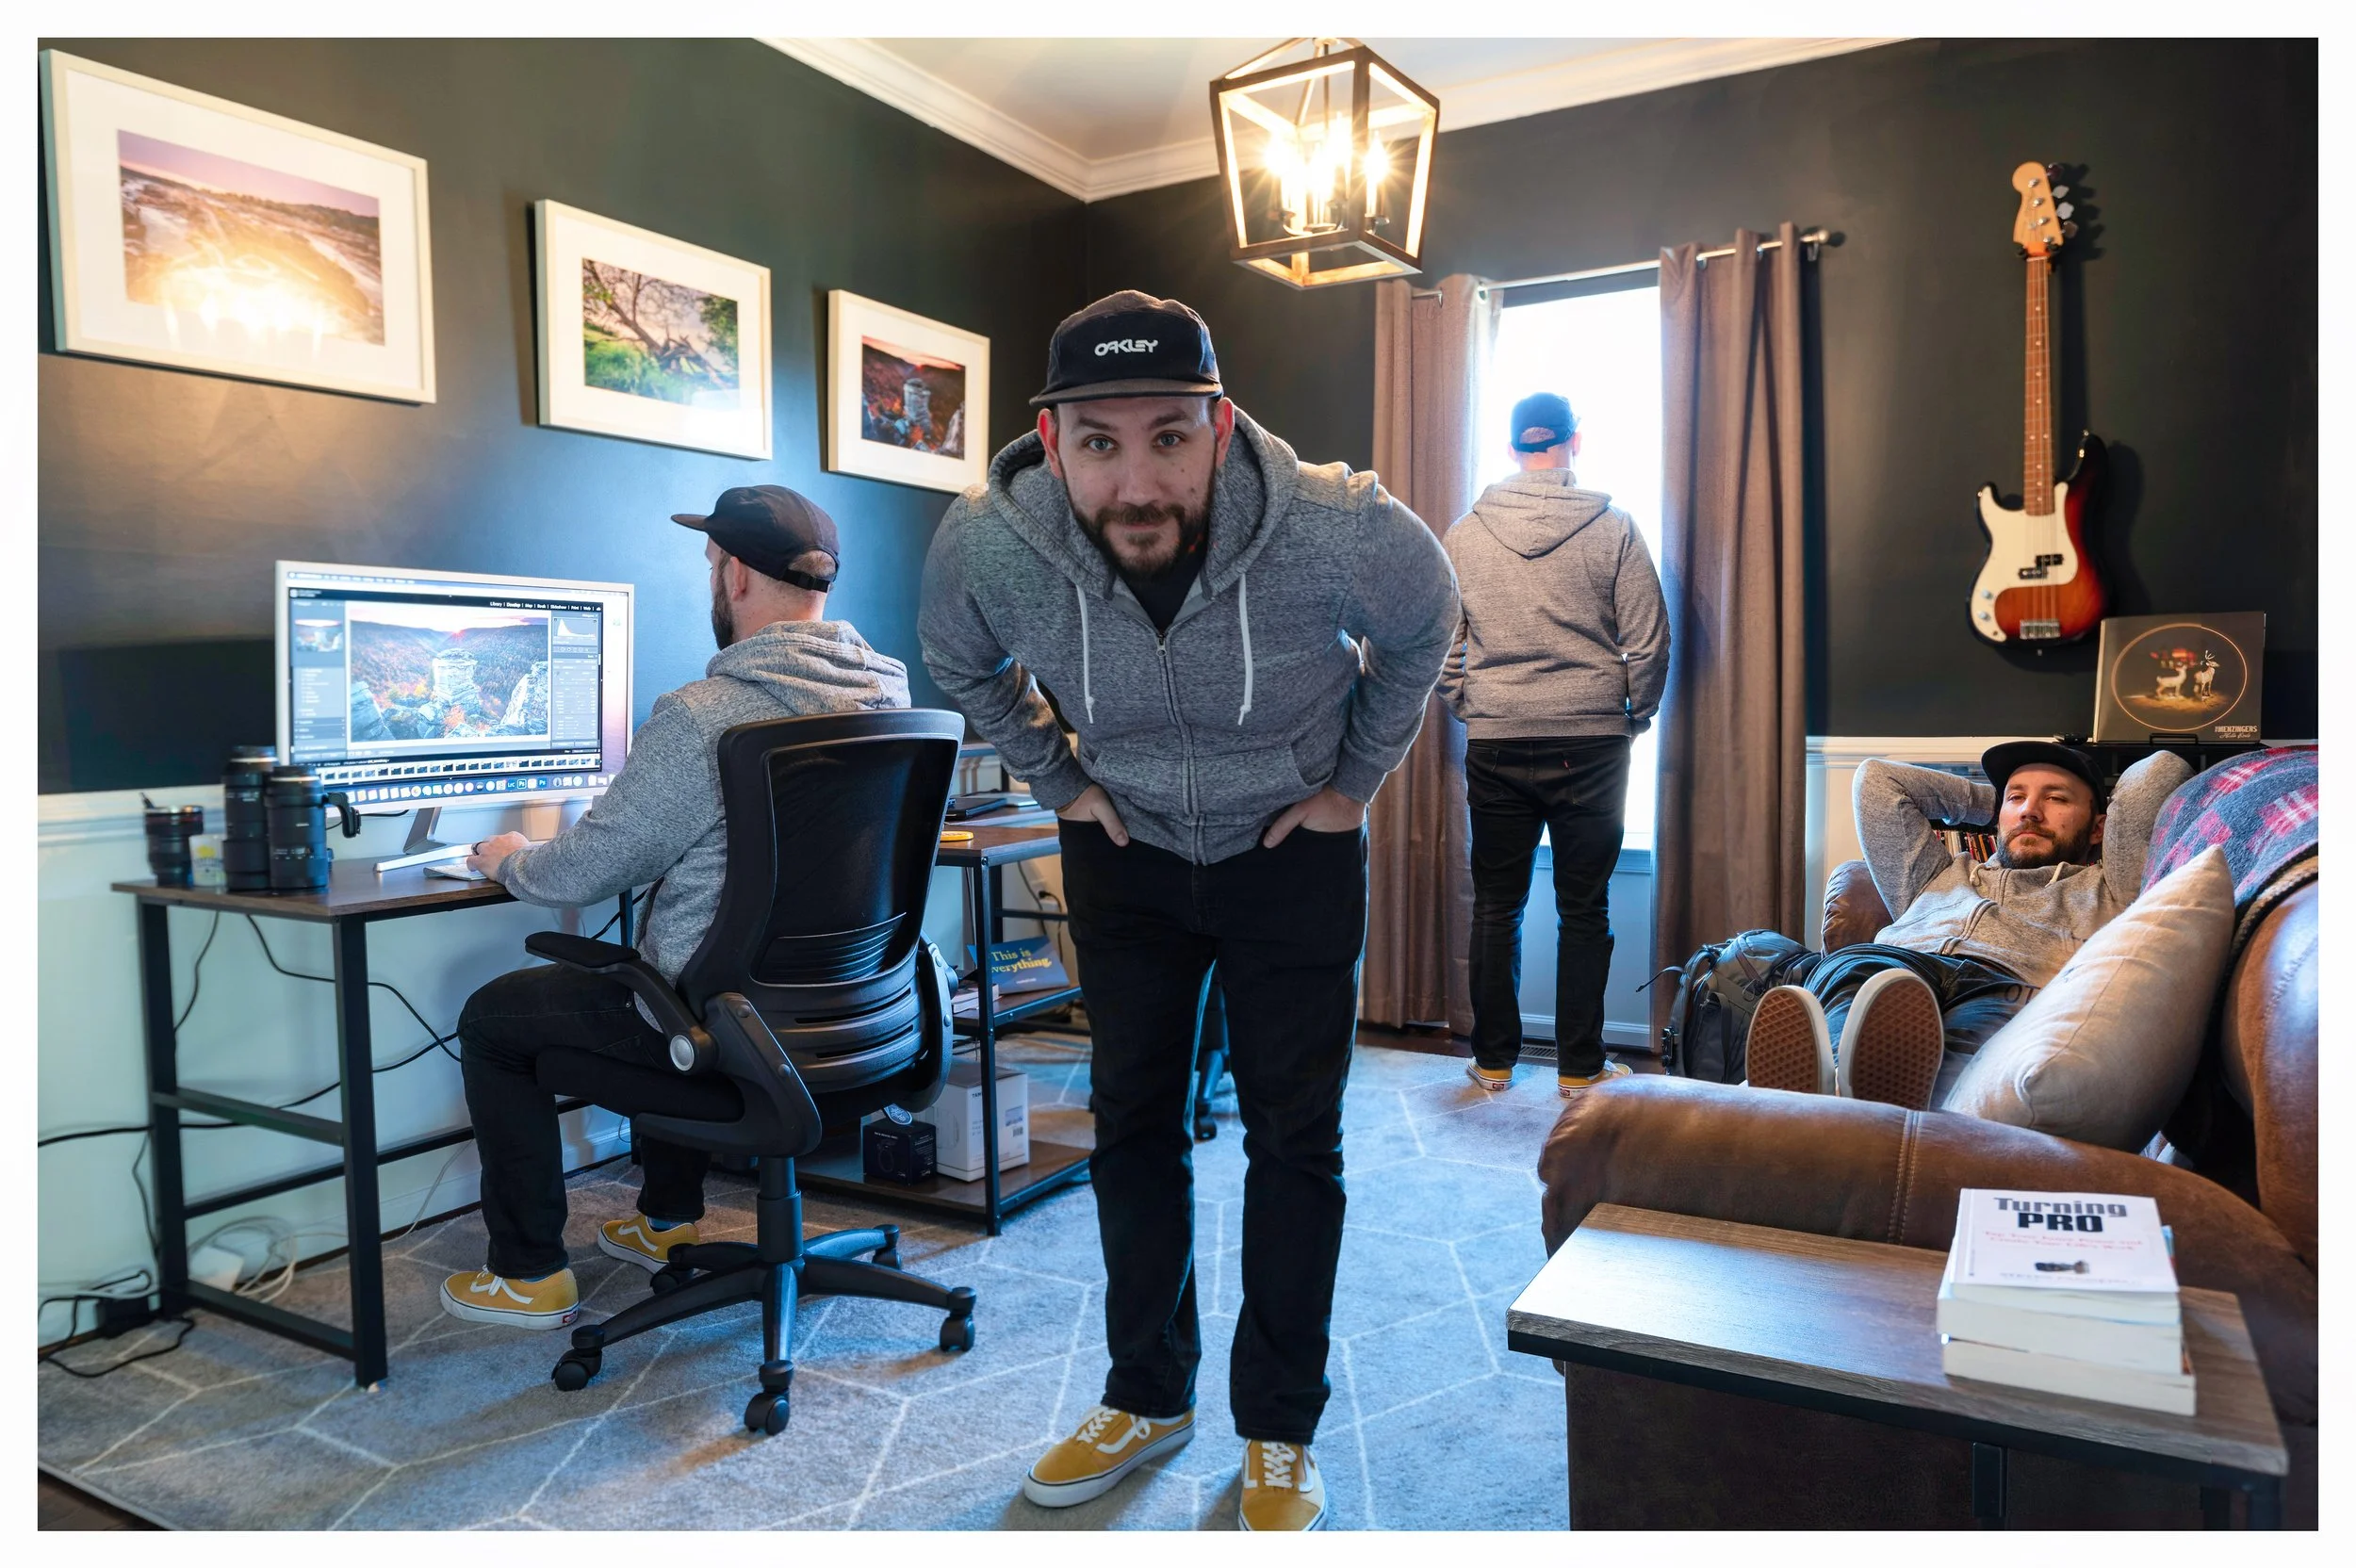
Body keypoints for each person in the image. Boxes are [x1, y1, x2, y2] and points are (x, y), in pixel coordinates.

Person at [919, 290, 1458, 1530]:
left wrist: (1350, 788)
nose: (1138, 480)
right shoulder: (990, 540)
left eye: (1169, 436)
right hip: (1128, 850)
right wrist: (1061, 780)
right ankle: (1146, 1395)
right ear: (1052, 445)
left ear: (1220, 425)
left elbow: (1425, 622)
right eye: (1100, 444)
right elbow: (959, 657)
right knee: (1134, 1127)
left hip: (1292, 851)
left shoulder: (1332, 521)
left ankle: (1279, 1427)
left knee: (1294, 1139)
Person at [437, 485, 911, 1330]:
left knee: (499, 1017)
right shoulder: (888, 701)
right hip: (855, 1027)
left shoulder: (705, 716)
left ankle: (529, 1272)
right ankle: (665, 1222)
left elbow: (590, 868)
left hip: (729, 1034)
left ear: (732, 577)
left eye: (710, 568)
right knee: (665, 970)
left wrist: (513, 861)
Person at [1745, 741, 2191, 1109]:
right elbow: (1877, 780)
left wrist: (2081, 813)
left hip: (2007, 985)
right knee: (1861, 979)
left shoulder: (2111, 886)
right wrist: (1997, 806)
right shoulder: (1936, 874)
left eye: (2056, 799)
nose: (2030, 811)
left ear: (2099, 829)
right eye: (2017, 797)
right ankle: (1830, 1087)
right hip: (1897, 965)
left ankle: (1847, 1107)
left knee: (1963, 1067)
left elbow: (2162, 770)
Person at [1440, 391, 1669, 1098]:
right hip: (1593, 741)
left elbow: (1440, 648)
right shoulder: (1615, 528)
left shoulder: (1464, 534)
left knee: (1496, 905)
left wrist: (1473, 705)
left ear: (1511, 448)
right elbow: (1649, 641)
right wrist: (1633, 714)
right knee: (1584, 907)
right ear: (1576, 442)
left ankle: (1494, 1062)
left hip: (1498, 739)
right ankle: (1578, 1068)